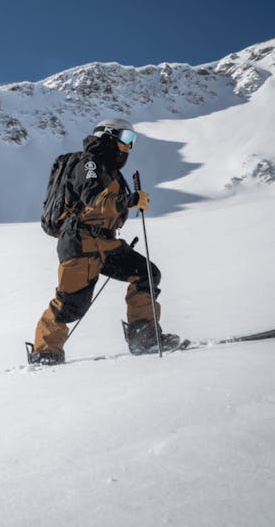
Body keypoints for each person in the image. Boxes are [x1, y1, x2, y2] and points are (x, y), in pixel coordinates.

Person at [30, 118, 181, 365]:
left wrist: (125, 203)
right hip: (80, 241)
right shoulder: (87, 163)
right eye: (126, 139)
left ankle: (144, 339)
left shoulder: (111, 172)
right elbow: (92, 197)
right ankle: (44, 351)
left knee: (146, 275)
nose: (129, 147)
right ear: (109, 137)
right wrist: (128, 201)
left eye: (133, 141)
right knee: (72, 303)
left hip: (105, 243)